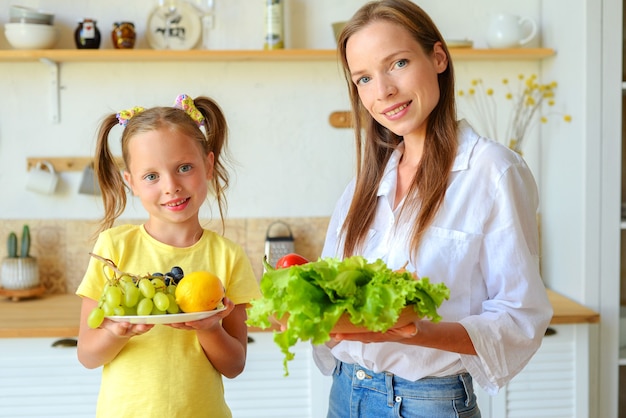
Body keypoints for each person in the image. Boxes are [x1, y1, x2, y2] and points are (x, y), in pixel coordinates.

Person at [313, 1, 553, 417]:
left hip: (427, 403)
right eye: (364, 78)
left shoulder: (492, 172)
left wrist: (415, 332)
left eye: (399, 63)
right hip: (345, 393)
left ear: (438, 57)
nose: (383, 90)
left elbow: (519, 319)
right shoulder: (366, 183)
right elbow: (330, 299)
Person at [76, 94, 261, 418]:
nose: (171, 186)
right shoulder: (113, 247)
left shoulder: (228, 256)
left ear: (209, 165)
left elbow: (234, 365)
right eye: (151, 176)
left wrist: (209, 328)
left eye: (184, 168)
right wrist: (115, 332)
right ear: (131, 183)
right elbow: (88, 356)